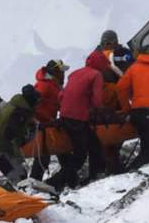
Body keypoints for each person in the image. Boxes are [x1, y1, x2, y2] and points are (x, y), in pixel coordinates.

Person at [46, 51, 108, 192]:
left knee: (94, 144)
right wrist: (99, 111)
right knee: (80, 155)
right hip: (78, 118)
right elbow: (97, 101)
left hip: (65, 116)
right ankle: (54, 183)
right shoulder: (96, 75)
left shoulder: (75, 73)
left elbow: (61, 95)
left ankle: (95, 174)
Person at [0, 85, 40, 184]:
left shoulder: (16, 106)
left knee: (20, 175)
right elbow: (11, 138)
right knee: (18, 177)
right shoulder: (18, 113)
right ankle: (19, 196)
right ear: (31, 100)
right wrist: (19, 158)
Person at [30, 60, 68, 180]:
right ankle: (34, 182)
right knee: (44, 156)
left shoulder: (53, 84)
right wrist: (47, 119)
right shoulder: (44, 85)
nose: (64, 74)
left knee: (58, 150)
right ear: (56, 72)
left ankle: (68, 177)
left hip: (48, 125)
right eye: (62, 72)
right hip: (41, 126)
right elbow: (33, 106)